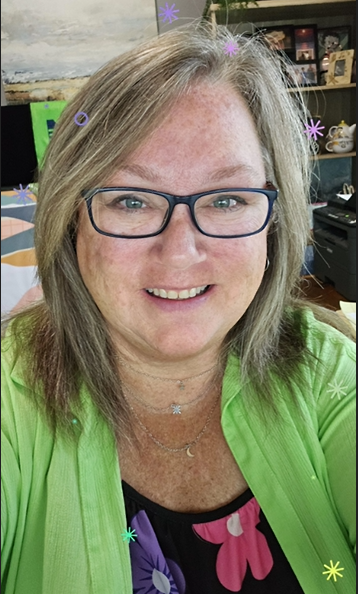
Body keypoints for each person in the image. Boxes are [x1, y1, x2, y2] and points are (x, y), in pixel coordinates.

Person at [1, 23, 356, 594]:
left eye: (226, 198)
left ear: (275, 218)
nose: (181, 252)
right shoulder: (10, 399)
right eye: (131, 200)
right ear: (71, 222)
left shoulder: (333, 379)